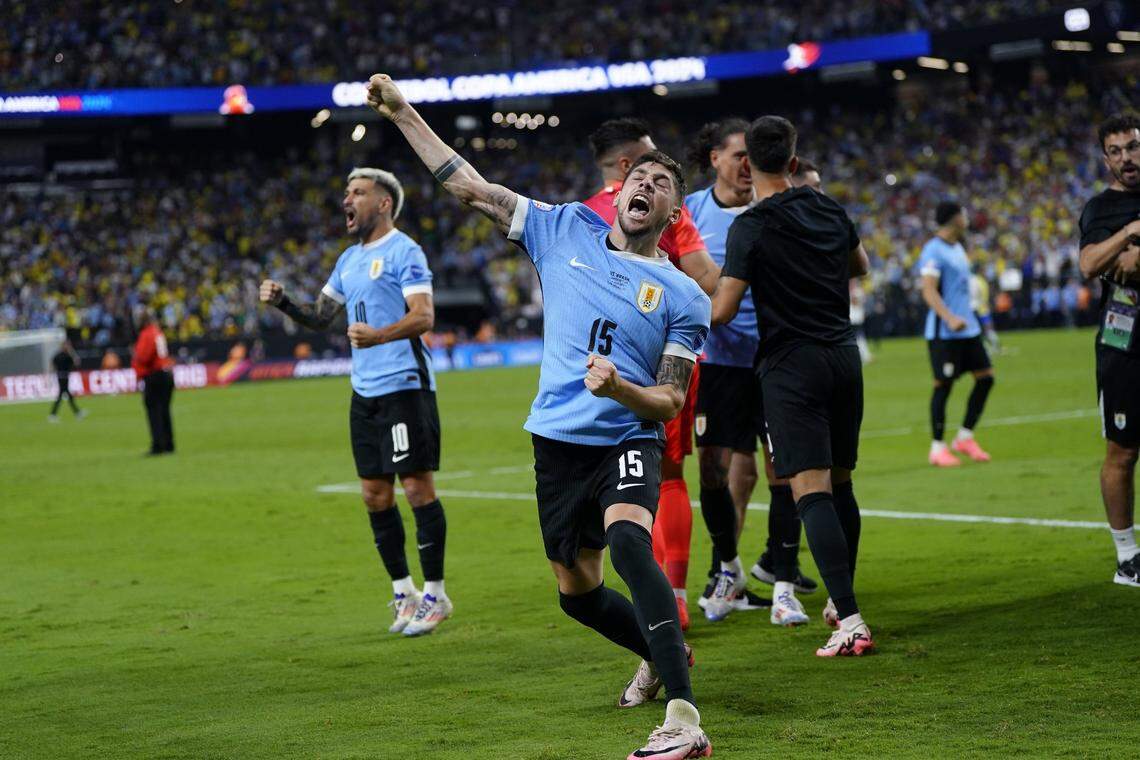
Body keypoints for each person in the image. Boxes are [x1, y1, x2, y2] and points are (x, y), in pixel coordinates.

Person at [366, 74, 714, 757]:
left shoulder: (682, 295)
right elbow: (467, 185)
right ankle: (658, 651)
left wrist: (622, 394)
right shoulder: (562, 229)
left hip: (627, 435)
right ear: (620, 190)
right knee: (576, 592)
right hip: (556, 443)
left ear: (673, 214)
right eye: (639, 175)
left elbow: (670, 399)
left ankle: (683, 717)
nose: (647, 184)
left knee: (627, 543)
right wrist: (404, 112)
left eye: (663, 183)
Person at [259, 166, 452, 636]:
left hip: (405, 384)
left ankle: (436, 593)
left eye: (358, 192)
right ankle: (403, 592)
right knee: (373, 494)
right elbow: (322, 318)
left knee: (417, 490)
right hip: (364, 391)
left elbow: (423, 316)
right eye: (346, 191)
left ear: (383, 203)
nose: (348, 199)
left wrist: (379, 335)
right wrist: (285, 302)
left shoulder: (405, 251)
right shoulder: (347, 260)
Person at [712, 115, 874, 657]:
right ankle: (840, 598)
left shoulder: (750, 227)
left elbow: (725, 309)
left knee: (810, 490)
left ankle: (849, 619)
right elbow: (861, 265)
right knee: (843, 483)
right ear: (795, 161)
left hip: (790, 365)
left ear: (747, 164)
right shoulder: (829, 207)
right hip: (843, 357)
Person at [582, 117, 723, 631]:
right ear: (627, 166)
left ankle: (604, 590)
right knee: (665, 479)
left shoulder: (577, 218)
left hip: (583, 376)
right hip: (659, 368)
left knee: (596, 490)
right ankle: (675, 598)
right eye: (649, 159)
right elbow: (708, 282)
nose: (657, 168)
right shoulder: (667, 209)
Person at [686, 119, 817, 627]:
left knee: (782, 469)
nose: (747, 165)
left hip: (773, 359)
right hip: (718, 362)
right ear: (714, 157)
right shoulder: (691, 211)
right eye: (737, 155)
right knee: (711, 469)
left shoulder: (773, 206)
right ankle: (728, 568)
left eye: (751, 156)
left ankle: (784, 584)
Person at [1077, 111, 1140, 587]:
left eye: (1133, 147)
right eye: (1116, 151)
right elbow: (1090, 264)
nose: (1127, 158)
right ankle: (1127, 556)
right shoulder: (1100, 210)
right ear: (1106, 159)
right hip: (1124, 345)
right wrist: (1128, 234)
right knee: (1122, 450)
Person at [918, 202, 995, 467]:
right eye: (963, 213)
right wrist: (949, 318)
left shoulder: (958, 247)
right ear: (953, 218)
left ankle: (964, 437)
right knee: (944, 386)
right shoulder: (933, 250)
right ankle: (937, 448)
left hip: (968, 328)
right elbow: (928, 290)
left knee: (986, 378)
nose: (967, 217)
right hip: (945, 332)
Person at [132, 311, 174, 455]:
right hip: (166, 372)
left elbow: (143, 357)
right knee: (164, 410)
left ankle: (158, 445)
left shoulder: (146, 334)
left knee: (153, 411)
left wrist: (136, 357)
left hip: (154, 374)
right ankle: (169, 444)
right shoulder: (157, 332)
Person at [48, 340, 86, 422]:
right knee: (63, 395)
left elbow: (52, 364)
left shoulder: (58, 355)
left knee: (67, 395)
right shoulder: (66, 356)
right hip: (63, 377)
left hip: (62, 377)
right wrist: (72, 352)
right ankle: (52, 415)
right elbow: (77, 362)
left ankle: (77, 412)